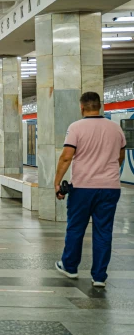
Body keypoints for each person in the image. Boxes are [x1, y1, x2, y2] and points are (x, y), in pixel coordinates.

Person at [54, 92, 126, 288]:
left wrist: (57, 182)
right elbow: (120, 157)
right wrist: (108, 172)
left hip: (83, 188)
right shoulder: (115, 128)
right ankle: (100, 276)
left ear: (82, 107)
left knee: (76, 227)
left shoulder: (76, 127)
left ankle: (70, 266)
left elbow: (67, 157)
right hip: (110, 188)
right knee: (104, 231)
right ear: (100, 106)